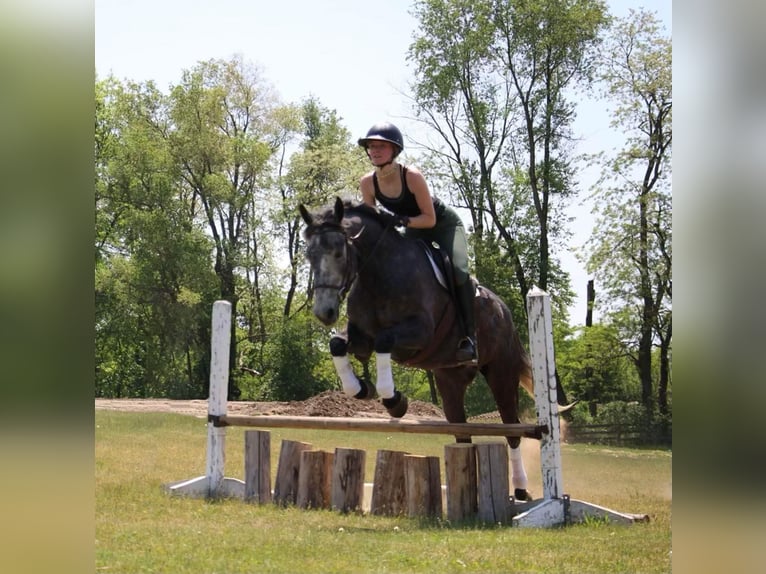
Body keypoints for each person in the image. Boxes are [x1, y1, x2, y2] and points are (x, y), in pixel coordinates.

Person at [357, 121, 477, 365]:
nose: (375, 151)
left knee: (458, 271)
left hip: (441, 225)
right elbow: (373, 225)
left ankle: (469, 338)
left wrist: (400, 220)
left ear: (395, 150)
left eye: (381, 146)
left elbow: (429, 218)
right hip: (412, 228)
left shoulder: (411, 176)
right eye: (371, 146)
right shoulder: (367, 182)